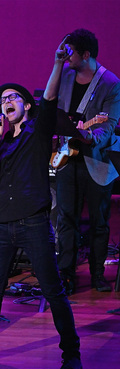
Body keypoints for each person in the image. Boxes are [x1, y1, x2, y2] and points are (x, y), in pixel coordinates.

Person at [0, 38, 82, 369]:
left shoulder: (38, 133)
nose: (7, 102)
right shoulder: (2, 142)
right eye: (3, 99)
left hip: (34, 223)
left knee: (52, 290)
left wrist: (57, 65)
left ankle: (71, 354)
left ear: (26, 105)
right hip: (2, 225)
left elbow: (50, 100)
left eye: (13, 98)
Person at [55, 29, 120, 294]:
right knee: (65, 217)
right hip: (67, 158)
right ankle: (66, 275)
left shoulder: (111, 83)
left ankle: (97, 274)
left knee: (99, 221)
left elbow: (111, 125)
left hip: (98, 160)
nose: (66, 56)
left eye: (70, 52)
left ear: (86, 54)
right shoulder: (66, 77)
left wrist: (89, 135)